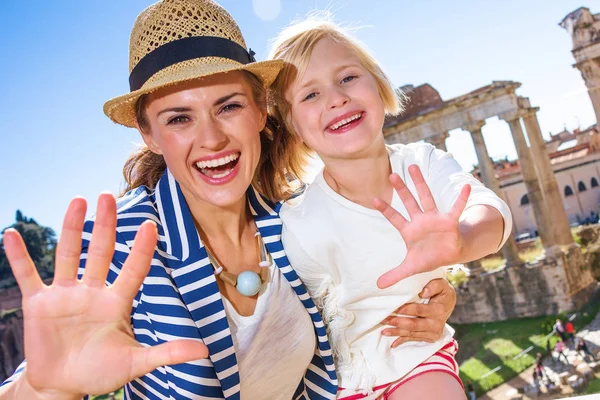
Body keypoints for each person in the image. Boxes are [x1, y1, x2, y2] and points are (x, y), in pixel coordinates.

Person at [0, 1, 456, 399]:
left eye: (228, 106)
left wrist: (427, 302)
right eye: (179, 118)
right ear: (148, 134)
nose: (213, 138)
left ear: (260, 109)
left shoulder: (298, 216)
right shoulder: (122, 239)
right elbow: (51, 369)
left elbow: (365, 295)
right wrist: (42, 389)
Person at [269, 16, 512, 400]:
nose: (336, 98)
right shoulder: (296, 221)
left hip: (415, 357)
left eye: (347, 77)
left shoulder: (424, 163)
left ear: (380, 86)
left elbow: (490, 210)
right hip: (334, 383)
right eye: (310, 95)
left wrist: (461, 243)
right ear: (294, 126)